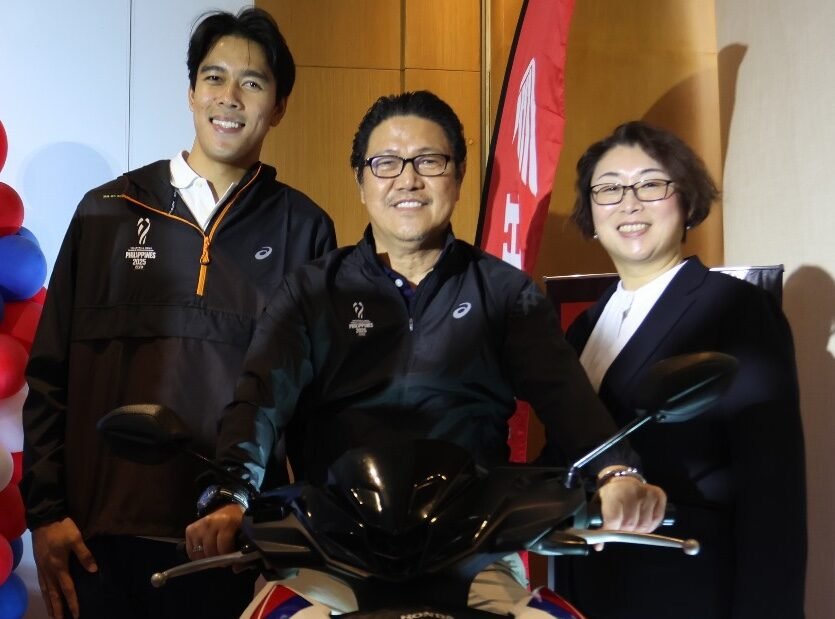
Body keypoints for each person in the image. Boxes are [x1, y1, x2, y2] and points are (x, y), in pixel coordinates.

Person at [186, 91, 667, 615]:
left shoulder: (504, 293)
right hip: (331, 557)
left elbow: (568, 398)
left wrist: (618, 474)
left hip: (475, 556)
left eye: (429, 161)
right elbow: (259, 402)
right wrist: (229, 496)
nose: (407, 179)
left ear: (457, 177)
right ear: (361, 182)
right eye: (386, 163)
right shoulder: (310, 291)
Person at [21, 8, 336, 619]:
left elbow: (314, 405)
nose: (230, 98)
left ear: (280, 105)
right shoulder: (106, 212)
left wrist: (301, 531)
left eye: (253, 82)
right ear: (191, 92)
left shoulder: (305, 230)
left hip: (235, 546)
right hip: (97, 540)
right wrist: (46, 513)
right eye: (214, 78)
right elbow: (50, 370)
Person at [552, 120, 807, 618]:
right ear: (591, 211)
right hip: (591, 588)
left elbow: (773, 491)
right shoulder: (583, 327)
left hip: (688, 589)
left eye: (650, 184)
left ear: (687, 200)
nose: (629, 203)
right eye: (608, 189)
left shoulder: (736, 309)